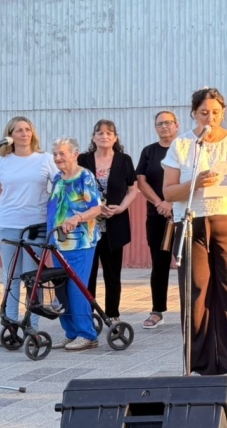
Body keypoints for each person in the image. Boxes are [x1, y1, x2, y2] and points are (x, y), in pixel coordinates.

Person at [162, 88, 227, 379]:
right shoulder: (182, 145)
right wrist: (197, 182)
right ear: (193, 113)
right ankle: (199, 365)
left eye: (216, 112)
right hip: (193, 224)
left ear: (223, 113)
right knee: (196, 295)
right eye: (204, 112)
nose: (210, 118)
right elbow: (169, 192)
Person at [0, 116, 56, 330]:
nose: (24, 133)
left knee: (33, 277)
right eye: (18, 130)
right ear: (10, 135)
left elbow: (60, 186)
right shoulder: (0, 161)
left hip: (36, 226)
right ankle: (10, 323)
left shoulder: (45, 159)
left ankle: (32, 325)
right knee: (11, 276)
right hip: (7, 224)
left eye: (27, 129)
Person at [78, 120, 139, 324]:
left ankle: (113, 314)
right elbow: (75, 188)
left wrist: (121, 207)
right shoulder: (83, 160)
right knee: (89, 273)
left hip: (115, 224)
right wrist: (90, 210)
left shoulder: (124, 160)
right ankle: (90, 315)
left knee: (113, 274)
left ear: (115, 137)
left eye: (109, 133)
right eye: (100, 133)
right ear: (93, 137)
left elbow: (133, 189)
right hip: (88, 226)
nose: (104, 136)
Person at [48, 137, 103, 351]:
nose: (58, 158)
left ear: (74, 154)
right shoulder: (58, 178)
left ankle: (87, 334)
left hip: (80, 243)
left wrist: (77, 218)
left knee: (77, 289)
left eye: (62, 153)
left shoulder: (84, 177)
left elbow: (97, 208)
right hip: (58, 243)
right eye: (55, 154)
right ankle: (71, 333)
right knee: (61, 290)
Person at [136, 110, 180, 329]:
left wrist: (172, 202)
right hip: (157, 216)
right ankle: (157, 310)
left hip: (183, 215)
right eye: (160, 124)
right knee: (159, 264)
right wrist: (160, 203)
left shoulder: (186, 149)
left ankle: (192, 309)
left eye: (168, 123)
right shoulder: (149, 152)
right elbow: (142, 182)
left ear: (177, 125)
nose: (164, 127)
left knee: (189, 264)